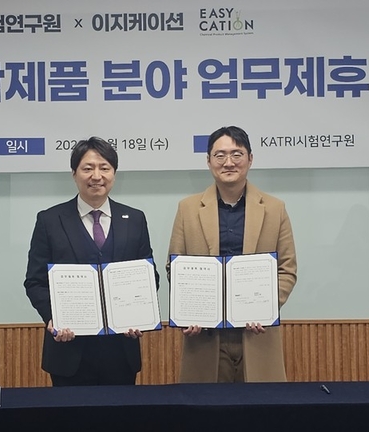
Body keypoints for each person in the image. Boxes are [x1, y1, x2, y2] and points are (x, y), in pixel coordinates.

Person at [24, 136, 159, 386]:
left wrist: (139, 315)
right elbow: (35, 281)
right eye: (88, 168)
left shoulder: (135, 219)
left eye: (104, 168)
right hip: (68, 351)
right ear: (74, 174)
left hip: (121, 351)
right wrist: (54, 317)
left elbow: (148, 277)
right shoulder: (50, 220)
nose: (96, 176)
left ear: (114, 174)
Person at [167, 125, 297, 383]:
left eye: (237, 154)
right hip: (205, 336)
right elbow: (176, 267)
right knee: (207, 406)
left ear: (250, 159)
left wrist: (265, 307)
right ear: (208, 161)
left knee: (260, 405)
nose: (228, 162)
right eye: (220, 155)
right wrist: (190, 310)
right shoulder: (187, 208)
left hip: (256, 334)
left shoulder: (275, 208)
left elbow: (287, 269)